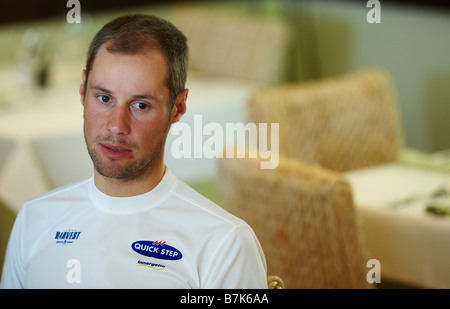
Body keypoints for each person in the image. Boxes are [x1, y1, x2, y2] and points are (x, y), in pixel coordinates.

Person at [0, 13, 267, 289]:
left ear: (178, 107)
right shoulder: (34, 219)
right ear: (82, 90)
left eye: (140, 105)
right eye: (104, 98)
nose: (117, 126)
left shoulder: (224, 244)